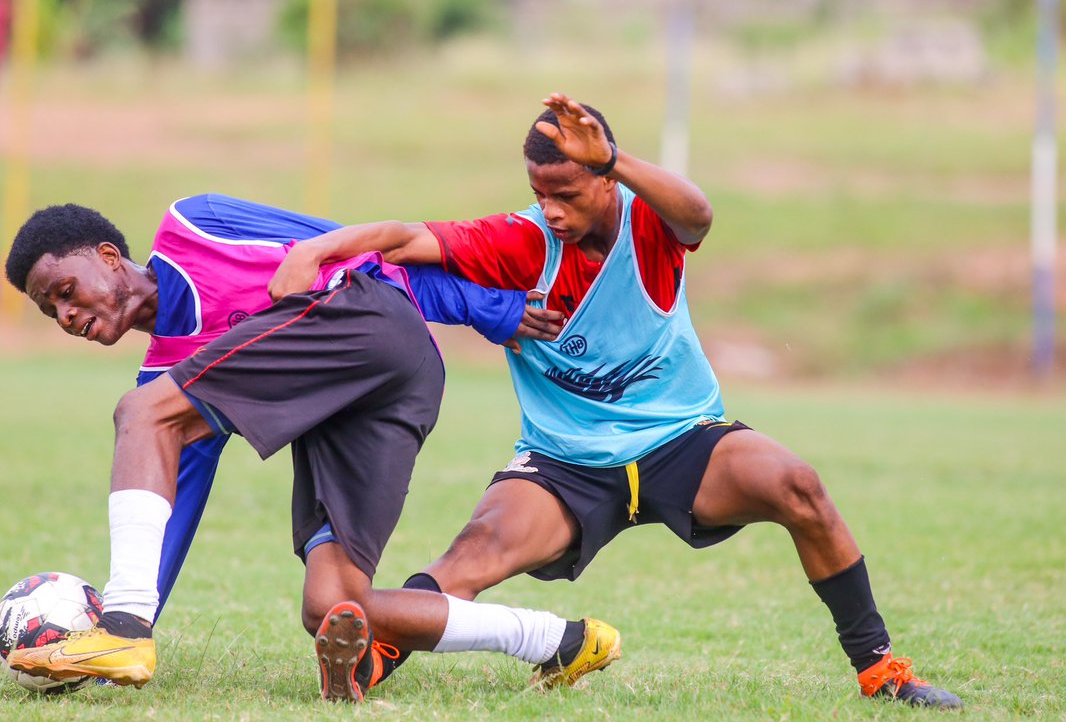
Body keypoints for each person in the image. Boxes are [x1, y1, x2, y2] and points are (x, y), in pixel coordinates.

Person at [267, 93, 964, 708]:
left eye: (567, 192)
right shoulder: (522, 241)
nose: (551, 209)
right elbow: (407, 237)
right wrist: (319, 250)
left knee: (798, 485)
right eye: (540, 192)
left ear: (606, 179)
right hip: (564, 463)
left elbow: (701, 213)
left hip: (683, 440)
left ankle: (881, 671)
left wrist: (618, 157)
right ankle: (371, 657)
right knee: (469, 558)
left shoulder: (651, 226)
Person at [3, 194, 620, 701]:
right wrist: (115, 636)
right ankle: (560, 641)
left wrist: (488, 307)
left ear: (110, 257)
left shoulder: (194, 226)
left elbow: (356, 247)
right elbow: (175, 513)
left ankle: (123, 626)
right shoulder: (166, 390)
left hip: (372, 322)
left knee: (141, 412)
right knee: (333, 604)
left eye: (62, 288)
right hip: (383, 396)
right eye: (48, 309)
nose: (63, 313)